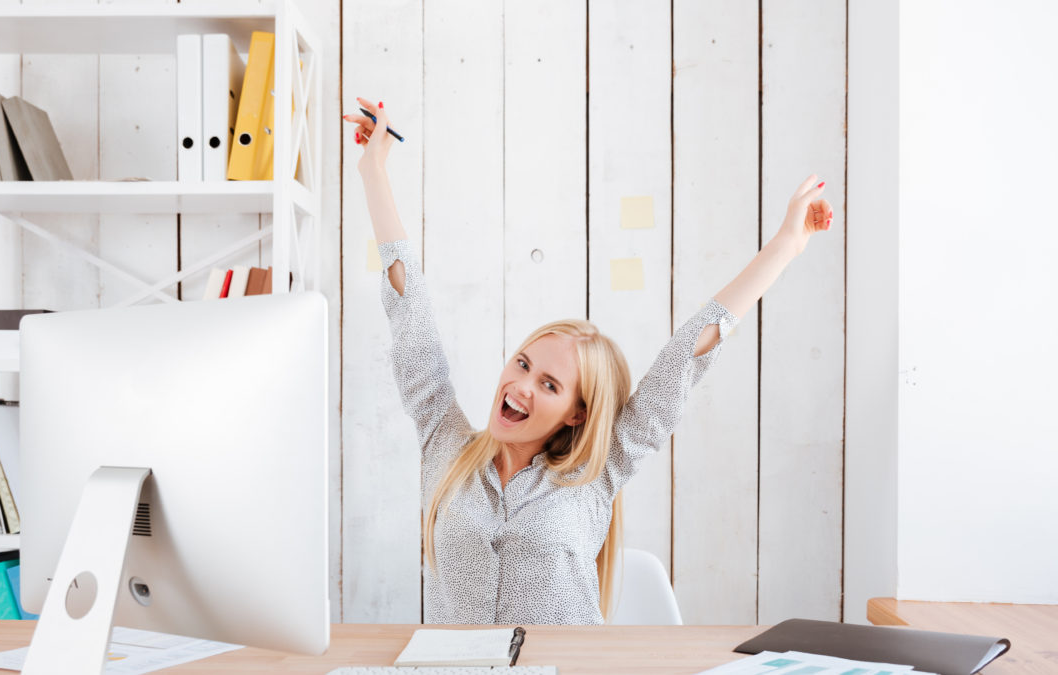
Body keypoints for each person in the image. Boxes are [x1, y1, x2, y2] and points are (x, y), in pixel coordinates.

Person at [344, 96, 833, 625]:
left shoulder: (597, 472)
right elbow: (407, 304)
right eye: (523, 364)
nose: (521, 385)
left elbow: (691, 351)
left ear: (577, 413)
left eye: (551, 385)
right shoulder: (446, 446)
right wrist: (373, 170)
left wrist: (787, 244)